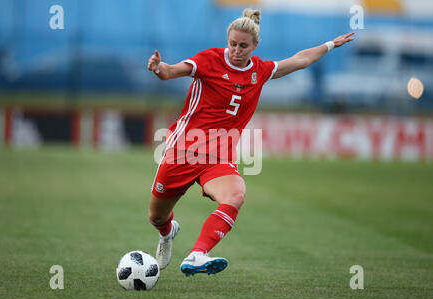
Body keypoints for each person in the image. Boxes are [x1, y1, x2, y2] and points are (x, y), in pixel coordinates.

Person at [147, 8, 354, 276]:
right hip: (184, 150)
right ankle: (167, 233)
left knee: (236, 194)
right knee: (156, 217)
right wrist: (157, 68)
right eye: (232, 44)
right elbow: (171, 71)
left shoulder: (260, 70)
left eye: (243, 46)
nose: (236, 50)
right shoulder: (209, 60)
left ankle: (198, 254)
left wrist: (330, 44)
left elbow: (299, 60)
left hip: (218, 156)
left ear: (255, 46)